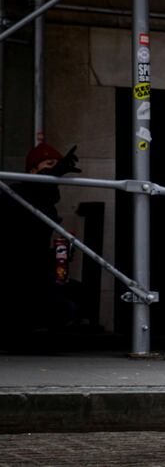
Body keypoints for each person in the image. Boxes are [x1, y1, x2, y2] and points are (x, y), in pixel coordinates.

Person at [0, 143, 81, 340]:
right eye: (49, 164)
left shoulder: (47, 200)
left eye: (56, 165)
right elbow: (22, 231)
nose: (54, 170)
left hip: (32, 270)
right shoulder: (15, 194)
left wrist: (57, 256)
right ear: (32, 170)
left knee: (75, 295)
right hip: (13, 273)